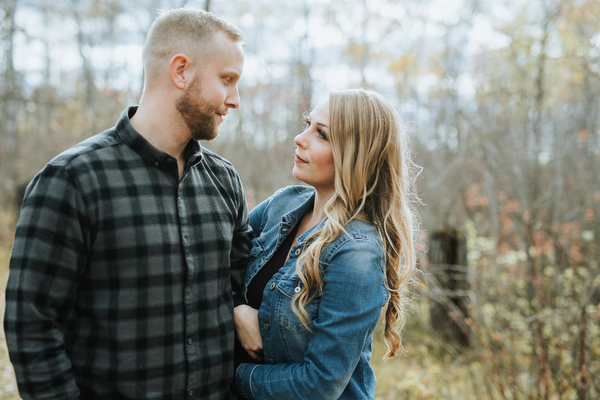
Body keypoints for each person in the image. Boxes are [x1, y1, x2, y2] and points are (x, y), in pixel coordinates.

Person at [4, 8, 252, 400]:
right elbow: (32, 325)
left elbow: (242, 296)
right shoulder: (72, 179)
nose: (235, 99)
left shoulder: (225, 182)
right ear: (181, 71)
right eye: (227, 80)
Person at [233, 88, 419, 399]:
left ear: (356, 155)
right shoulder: (283, 204)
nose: (300, 138)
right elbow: (219, 264)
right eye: (307, 123)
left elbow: (319, 386)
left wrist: (231, 375)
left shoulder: (357, 253)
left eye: (321, 134)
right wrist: (238, 308)